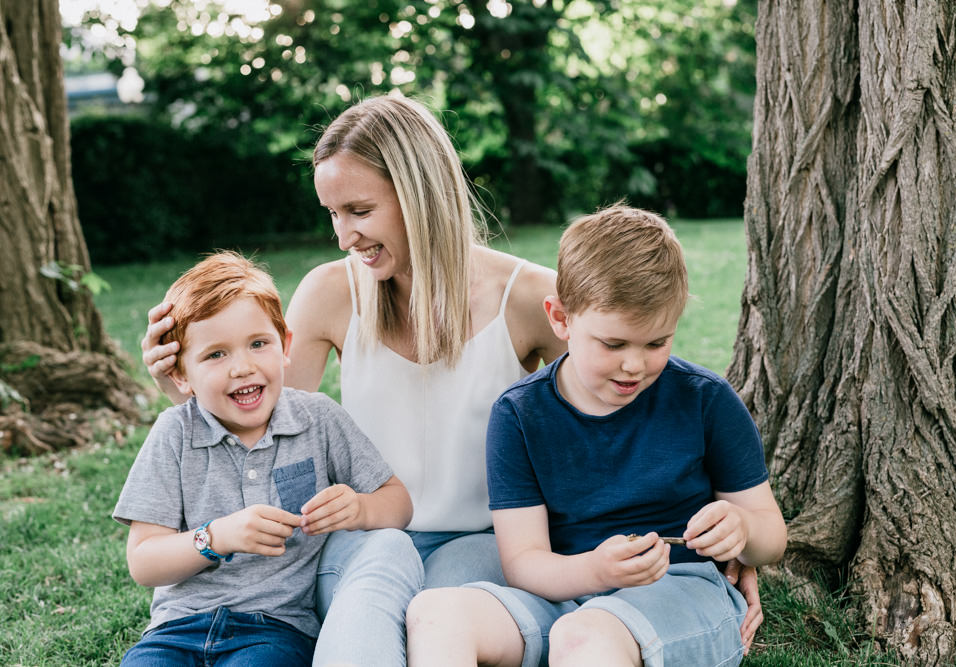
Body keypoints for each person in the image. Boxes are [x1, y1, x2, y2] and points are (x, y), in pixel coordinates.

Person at [139, 94, 762, 665]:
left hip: (487, 545)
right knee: (386, 560)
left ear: (418, 196)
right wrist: (186, 392)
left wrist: (720, 544)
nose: (342, 234)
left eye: (359, 210)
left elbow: (616, 419)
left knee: (437, 604)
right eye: (332, 213)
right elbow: (265, 429)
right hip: (364, 542)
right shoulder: (331, 292)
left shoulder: (531, 296)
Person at [405, 205, 787, 667]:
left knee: (583, 640)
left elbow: (771, 536)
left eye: (656, 343)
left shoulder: (704, 400)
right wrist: (592, 570)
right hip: (563, 592)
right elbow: (523, 562)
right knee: (437, 612)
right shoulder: (519, 414)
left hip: (678, 592)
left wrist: (742, 529)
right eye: (613, 344)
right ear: (560, 318)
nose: (635, 365)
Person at [114, 251, 413, 665]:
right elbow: (144, 561)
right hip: (175, 632)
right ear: (181, 375)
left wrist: (359, 507)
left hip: (275, 630)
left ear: (285, 345)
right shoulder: (175, 432)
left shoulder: (317, 418)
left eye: (258, 344)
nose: (242, 367)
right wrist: (216, 537)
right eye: (216, 354)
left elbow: (398, 502)